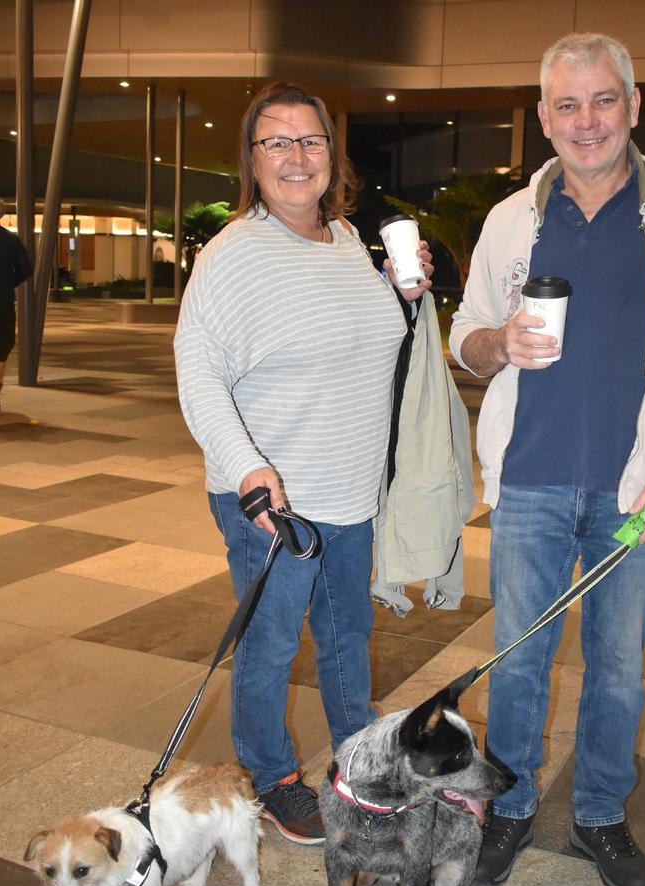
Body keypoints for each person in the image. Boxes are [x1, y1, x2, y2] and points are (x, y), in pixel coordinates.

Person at [450, 33, 645, 886]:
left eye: (603, 100)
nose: (587, 121)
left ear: (634, 106)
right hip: (531, 484)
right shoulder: (513, 219)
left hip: (636, 490)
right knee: (519, 662)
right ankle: (507, 810)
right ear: (543, 117)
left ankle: (601, 815)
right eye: (568, 105)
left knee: (617, 669)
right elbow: (464, 338)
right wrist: (495, 342)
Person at [174, 82, 433, 844]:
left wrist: (404, 292)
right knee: (272, 646)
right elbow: (197, 373)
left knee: (349, 634)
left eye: (310, 140)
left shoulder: (350, 241)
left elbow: (369, 341)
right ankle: (271, 774)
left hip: (353, 492)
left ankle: (358, 757)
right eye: (276, 142)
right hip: (275, 504)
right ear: (252, 162)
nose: (296, 156)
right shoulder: (232, 256)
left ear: (332, 154)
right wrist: (247, 467)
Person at [0, 199, 33, 412]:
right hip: (2, 301)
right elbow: (26, 269)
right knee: (1, 347)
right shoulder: (11, 240)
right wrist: (8, 283)